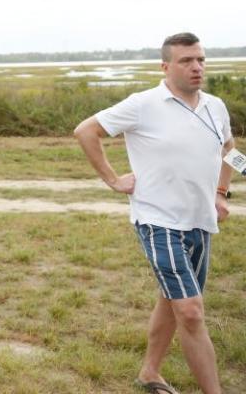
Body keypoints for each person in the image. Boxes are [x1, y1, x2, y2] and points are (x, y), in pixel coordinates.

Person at [74, 32, 235, 394]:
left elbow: (229, 148)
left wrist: (221, 193)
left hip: (200, 221)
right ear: (165, 66)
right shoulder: (143, 104)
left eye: (200, 60)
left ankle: (150, 372)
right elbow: (86, 131)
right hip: (158, 221)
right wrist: (113, 180)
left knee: (173, 299)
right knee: (191, 310)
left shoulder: (215, 106)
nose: (196, 67)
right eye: (186, 61)